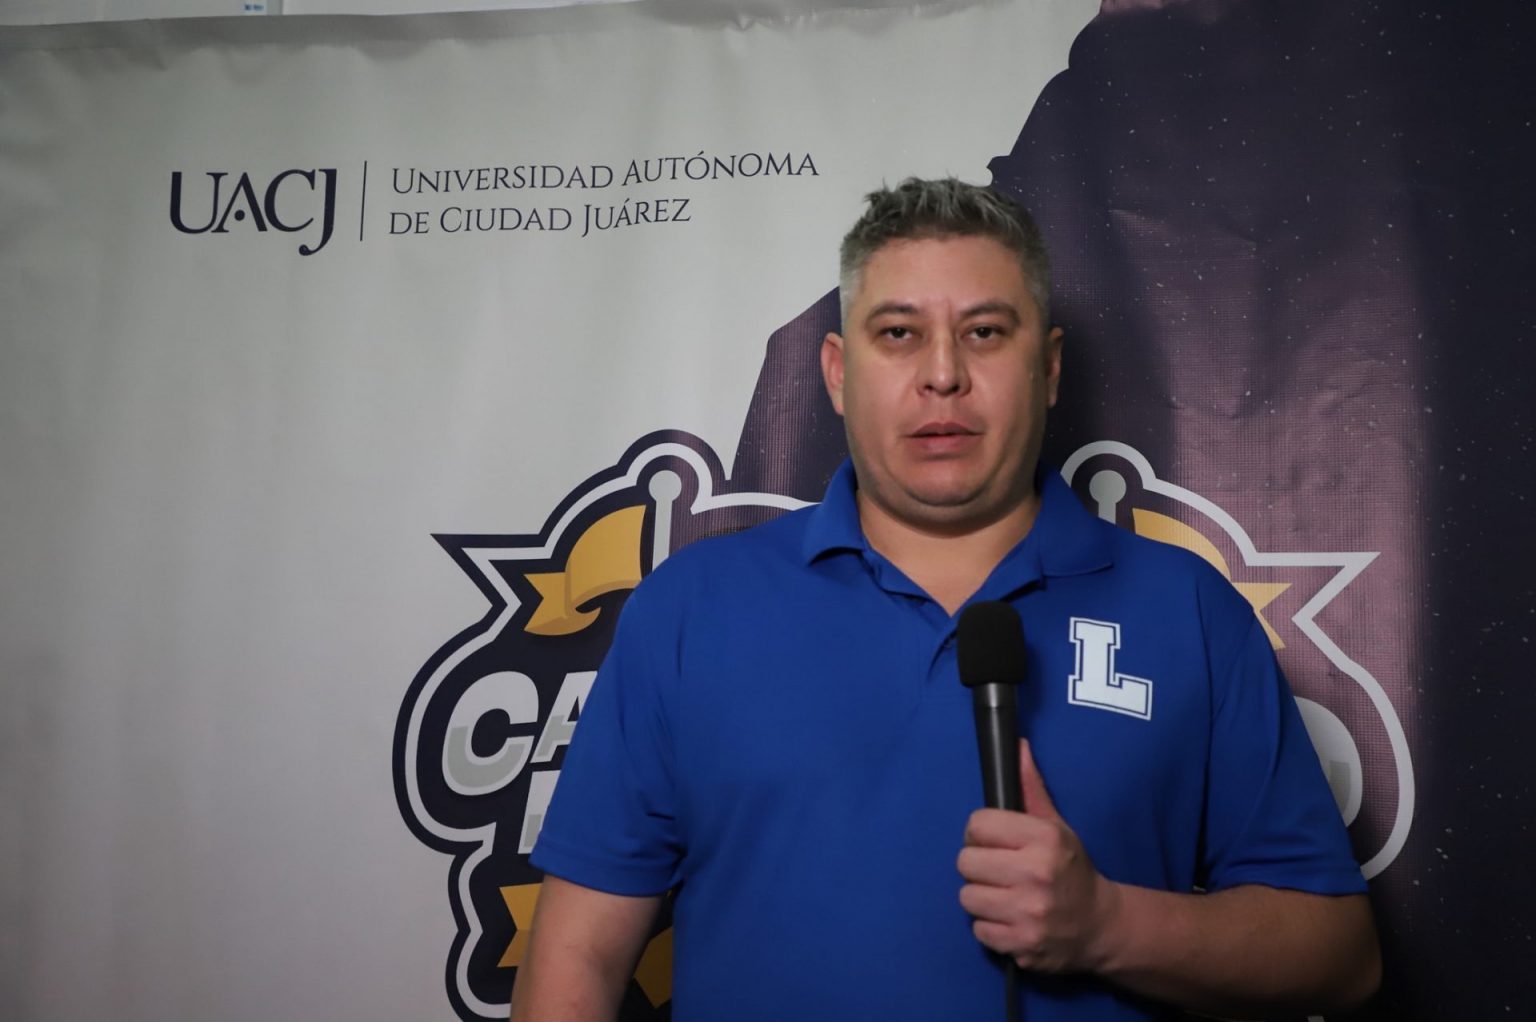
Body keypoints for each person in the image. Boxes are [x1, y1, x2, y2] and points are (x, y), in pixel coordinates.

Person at [511, 178, 1380, 1021]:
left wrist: (1109, 926)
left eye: (985, 332)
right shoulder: (690, 609)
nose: (942, 375)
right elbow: (577, 961)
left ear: (1047, 368)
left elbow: (1339, 961)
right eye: (898, 333)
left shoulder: (1189, 610)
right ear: (837, 372)